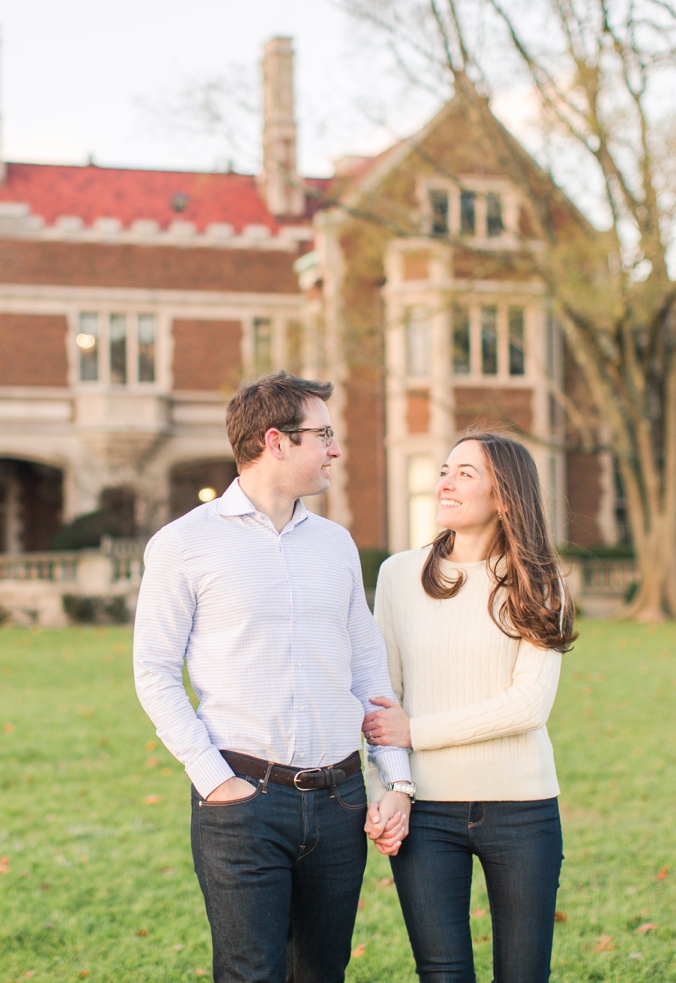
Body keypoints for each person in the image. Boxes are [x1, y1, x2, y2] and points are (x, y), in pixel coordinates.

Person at [134, 372, 415, 983]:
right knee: (249, 974)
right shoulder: (184, 543)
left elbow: (367, 667)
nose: (335, 451)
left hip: (341, 801)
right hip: (242, 801)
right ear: (276, 441)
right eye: (324, 435)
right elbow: (155, 673)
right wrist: (213, 780)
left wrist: (396, 779)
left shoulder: (337, 545)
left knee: (321, 973)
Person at [361, 431, 576, 983]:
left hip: (523, 810)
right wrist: (390, 791)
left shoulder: (539, 583)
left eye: (465, 473)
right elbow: (383, 702)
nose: (445, 482)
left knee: (524, 974)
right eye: (443, 469)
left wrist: (417, 732)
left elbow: (528, 706)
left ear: (504, 496)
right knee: (441, 972)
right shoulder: (397, 575)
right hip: (426, 811)